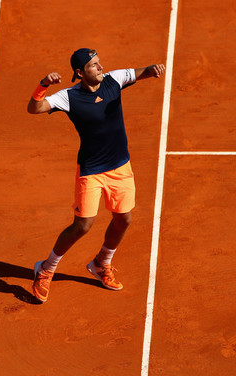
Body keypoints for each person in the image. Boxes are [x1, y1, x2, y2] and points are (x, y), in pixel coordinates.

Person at [27, 48, 165, 303]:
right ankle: (45, 269)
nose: (100, 67)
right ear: (80, 73)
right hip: (91, 171)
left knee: (124, 218)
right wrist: (43, 84)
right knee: (83, 225)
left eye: (99, 63)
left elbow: (141, 72)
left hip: (121, 167)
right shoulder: (69, 97)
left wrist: (153, 69)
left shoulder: (114, 80)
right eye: (94, 65)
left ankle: (102, 263)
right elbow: (34, 108)